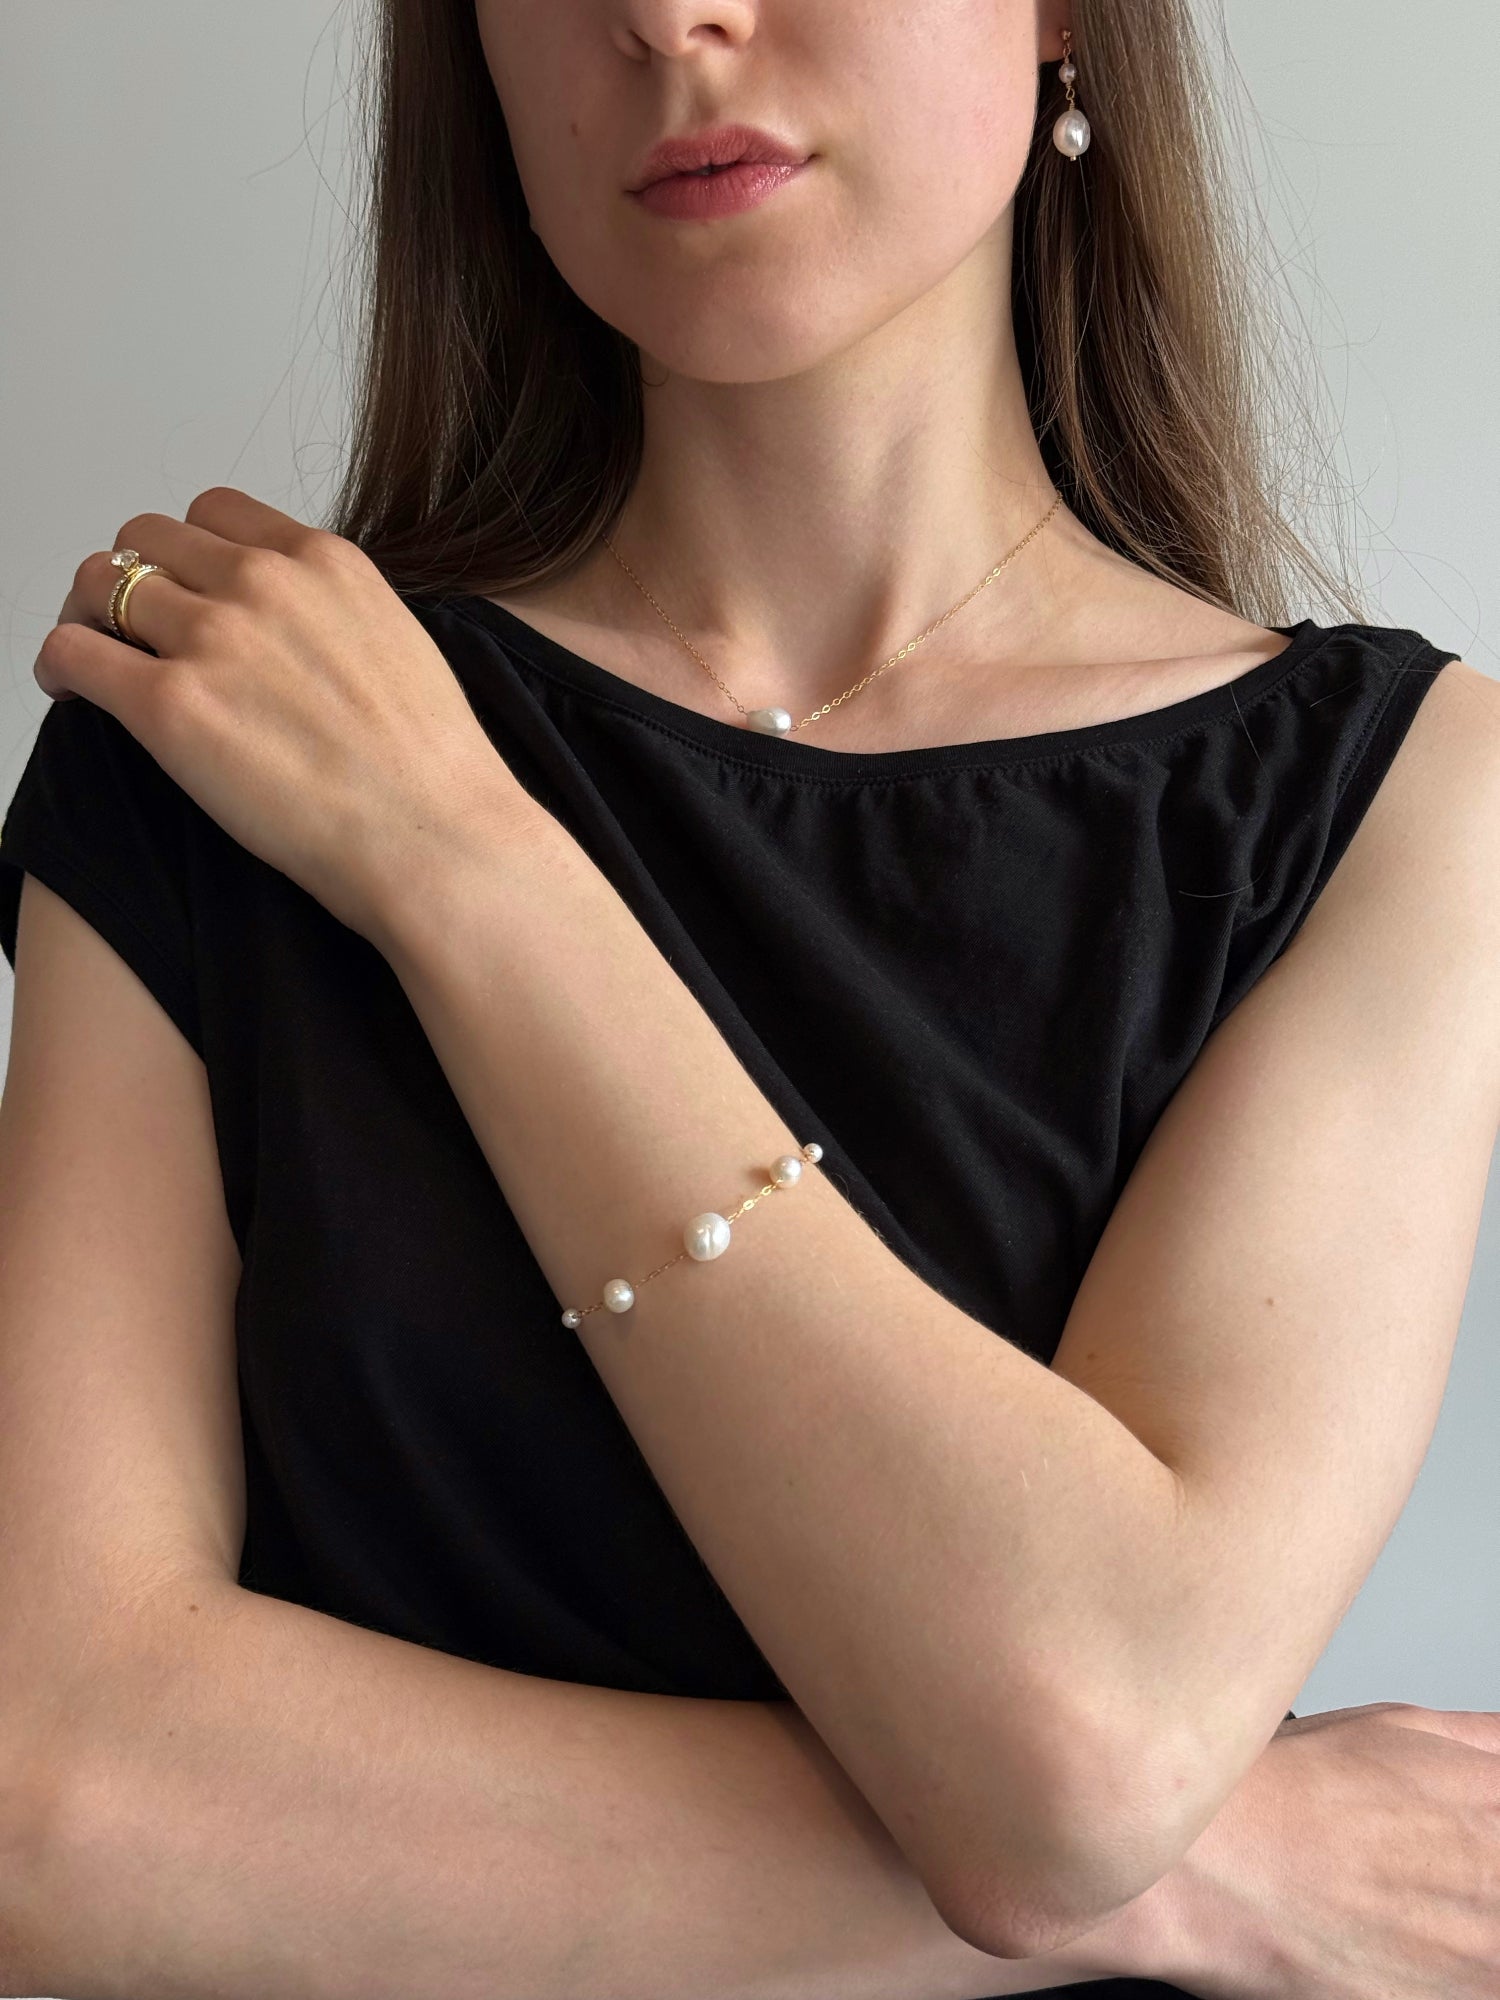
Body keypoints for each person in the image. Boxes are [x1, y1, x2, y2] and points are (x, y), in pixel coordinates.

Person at [1, 2, 1497, 1996]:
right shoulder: (213, 743)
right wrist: (1217, 1869)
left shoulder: (1393, 794)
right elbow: (58, 1808)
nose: (665, 13)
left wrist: (466, 862)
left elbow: (1073, 1747)